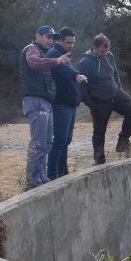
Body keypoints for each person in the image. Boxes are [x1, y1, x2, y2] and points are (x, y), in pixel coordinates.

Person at [19, 25, 71, 190]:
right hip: (35, 100)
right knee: (39, 143)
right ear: (38, 36)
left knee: (47, 143)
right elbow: (34, 63)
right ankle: (33, 181)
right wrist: (57, 61)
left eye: (52, 38)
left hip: (45, 102)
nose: (50, 40)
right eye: (47, 37)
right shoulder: (32, 49)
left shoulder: (43, 53)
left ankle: (40, 177)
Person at [77, 33, 131, 164]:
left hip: (115, 94)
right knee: (99, 131)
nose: (104, 53)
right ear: (94, 47)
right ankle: (99, 159)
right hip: (99, 101)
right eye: (101, 51)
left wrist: (121, 91)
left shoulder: (109, 56)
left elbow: (115, 74)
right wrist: (91, 104)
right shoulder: (85, 63)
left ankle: (123, 141)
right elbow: (81, 87)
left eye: (106, 50)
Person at [46, 27, 88, 180]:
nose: (71, 45)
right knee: (59, 141)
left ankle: (62, 172)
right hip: (60, 104)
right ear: (60, 40)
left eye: (73, 42)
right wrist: (77, 74)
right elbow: (64, 72)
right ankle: (51, 175)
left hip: (69, 104)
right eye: (68, 42)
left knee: (66, 140)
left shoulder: (64, 55)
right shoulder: (54, 55)